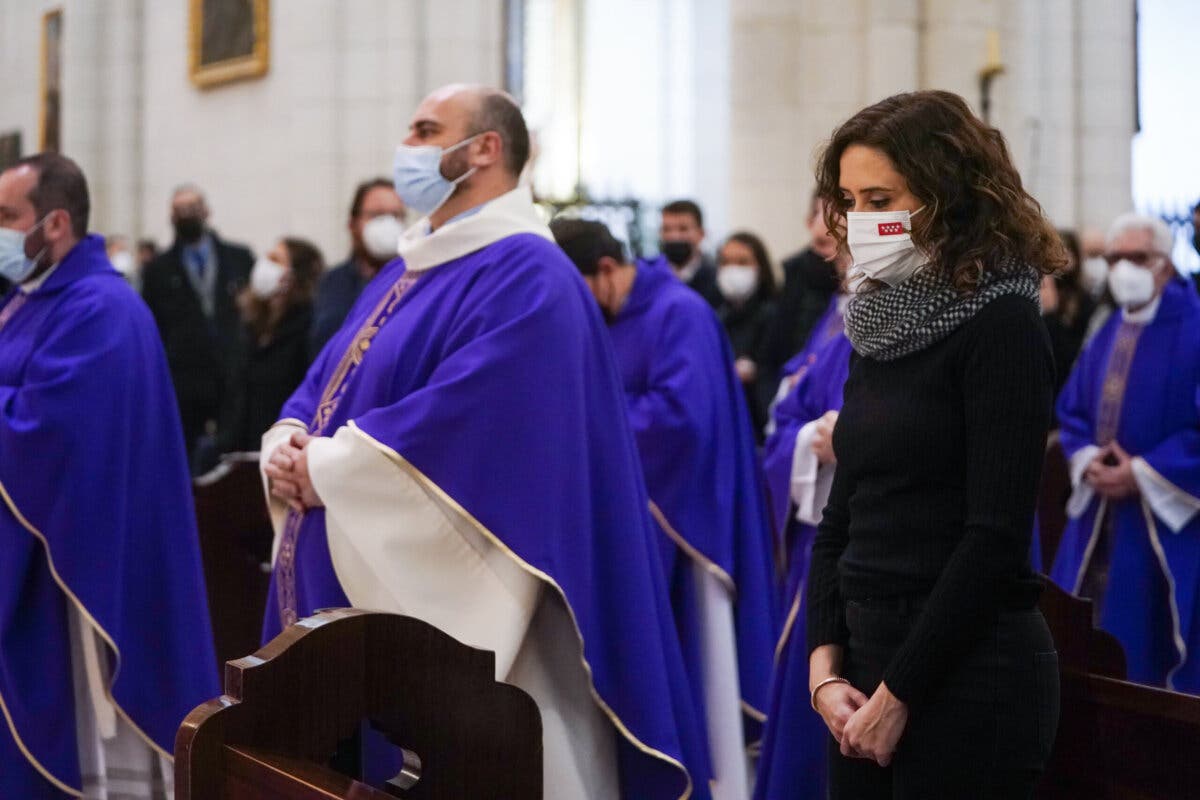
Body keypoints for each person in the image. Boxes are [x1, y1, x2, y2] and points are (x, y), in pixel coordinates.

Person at [260, 84, 708, 798]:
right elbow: (325, 382)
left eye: (426, 129)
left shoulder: (531, 275)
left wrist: (329, 468)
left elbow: (479, 423)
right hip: (348, 602)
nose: (408, 146)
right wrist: (287, 443)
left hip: (483, 622)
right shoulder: (407, 270)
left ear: (486, 149)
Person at [802, 90, 1063, 799]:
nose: (860, 219)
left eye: (880, 196)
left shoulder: (1002, 324)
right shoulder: (878, 327)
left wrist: (899, 693)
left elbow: (995, 534)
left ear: (945, 197)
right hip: (862, 660)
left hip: (968, 670)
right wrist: (826, 669)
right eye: (849, 199)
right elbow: (843, 512)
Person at [0, 153, 217, 798]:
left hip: (75, 574)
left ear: (56, 223)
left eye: (8, 217)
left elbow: (52, 434)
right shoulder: (27, 299)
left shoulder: (103, 310)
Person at [551, 217, 778, 799]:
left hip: (683, 528)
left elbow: (682, 421)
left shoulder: (680, 313)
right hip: (632, 519)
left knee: (694, 674)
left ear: (604, 270)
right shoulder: (606, 313)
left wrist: (586, 417)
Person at [1050, 212, 1200, 692]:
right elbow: (1071, 410)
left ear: (1164, 263)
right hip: (1096, 513)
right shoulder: (1107, 329)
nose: (1123, 270)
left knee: (1148, 654)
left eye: (1136, 258)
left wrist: (1144, 472)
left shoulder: (1194, 326)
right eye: (1113, 259)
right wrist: (1086, 458)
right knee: (1084, 651)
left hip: (1162, 519)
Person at [141, 184, 254, 470]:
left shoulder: (239, 258)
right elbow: (153, 326)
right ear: (171, 216)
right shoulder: (158, 270)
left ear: (206, 211)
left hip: (233, 375)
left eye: (193, 208)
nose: (188, 215)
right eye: (181, 210)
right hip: (184, 381)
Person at [220, 237, 324, 453]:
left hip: (281, 450)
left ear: (295, 276)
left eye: (275, 260)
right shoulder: (251, 327)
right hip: (243, 450)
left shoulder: (308, 329)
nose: (265, 265)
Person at [309, 178, 406, 356]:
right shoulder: (332, 283)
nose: (388, 225)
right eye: (377, 215)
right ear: (353, 225)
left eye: (396, 216)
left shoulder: (415, 281)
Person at [767, 194, 843, 373]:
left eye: (833, 215)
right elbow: (774, 350)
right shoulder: (793, 273)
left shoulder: (854, 288)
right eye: (818, 213)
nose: (822, 223)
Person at [715, 231, 780, 438]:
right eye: (726, 262)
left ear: (760, 268)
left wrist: (755, 372)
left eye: (743, 262)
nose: (733, 269)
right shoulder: (717, 317)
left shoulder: (776, 314)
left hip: (760, 424)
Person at [1040, 229, 1097, 396]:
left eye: (1065, 250)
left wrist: (1050, 314)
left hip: (1066, 388)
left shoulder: (1083, 301)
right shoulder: (1035, 290)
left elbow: (1073, 355)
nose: (1059, 258)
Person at [660, 199, 722, 307]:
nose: (674, 236)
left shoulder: (718, 277)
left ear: (701, 234)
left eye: (683, 229)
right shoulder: (652, 275)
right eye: (667, 229)